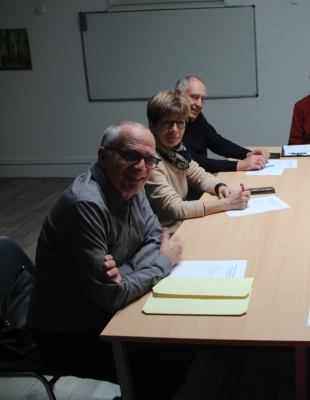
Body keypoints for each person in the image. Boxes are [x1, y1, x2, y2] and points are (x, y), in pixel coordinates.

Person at [27, 121, 191, 398]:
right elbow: (111, 296)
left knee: (184, 340)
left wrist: (125, 272)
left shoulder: (132, 184)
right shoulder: (85, 205)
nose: (141, 167)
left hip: (100, 309)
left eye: (149, 159)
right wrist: (163, 262)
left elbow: (154, 237)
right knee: (167, 363)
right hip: (68, 333)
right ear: (103, 156)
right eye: (130, 155)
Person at [145, 90, 250, 233]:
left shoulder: (176, 149)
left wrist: (220, 187)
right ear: (152, 125)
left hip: (183, 224)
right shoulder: (149, 160)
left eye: (180, 122)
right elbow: (175, 208)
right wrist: (226, 203)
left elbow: (199, 175)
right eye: (166, 122)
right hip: (165, 235)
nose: (174, 130)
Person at [175, 75, 269, 173]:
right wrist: (239, 165)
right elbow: (192, 161)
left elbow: (217, 143)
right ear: (178, 94)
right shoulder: (172, 125)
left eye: (202, 99)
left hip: (202, 179)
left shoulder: (195, 116)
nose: (199, 104)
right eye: (194, 97)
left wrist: (248, 154)